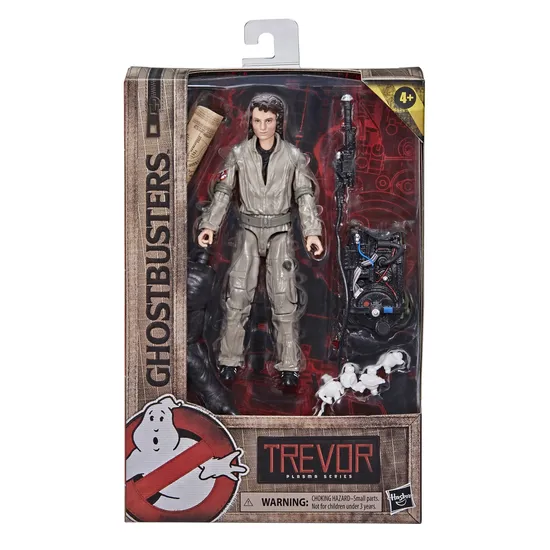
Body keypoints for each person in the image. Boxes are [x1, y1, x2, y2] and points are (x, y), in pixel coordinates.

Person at [197, 93, 323, 387]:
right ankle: (229, 360)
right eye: (257, 121)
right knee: (237, 297)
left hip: (280, 232)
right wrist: (210, 225)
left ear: (278, 121)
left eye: (268, 120)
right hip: (248, 232)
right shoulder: (239, 154)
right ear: (250, 121)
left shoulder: (292, 156)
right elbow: (224, 192)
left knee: (284, 299)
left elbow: (304, 194)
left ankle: (289, 365)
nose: (262, 127)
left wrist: (312, 231)